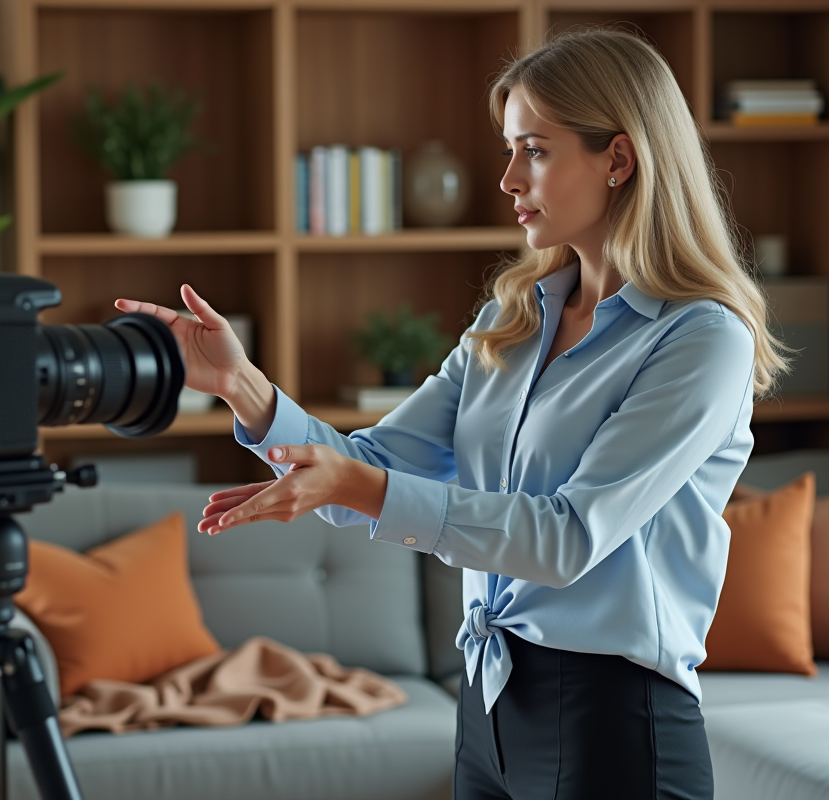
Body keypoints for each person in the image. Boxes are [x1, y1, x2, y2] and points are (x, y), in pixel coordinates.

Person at [114, 27, 785, 800]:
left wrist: (354, 488)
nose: (506, 178)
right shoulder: (512, 324)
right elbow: (371, 467)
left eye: (533, 149)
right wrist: (244, 389)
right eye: (510, 148)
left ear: (619, 159)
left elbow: (567, 539)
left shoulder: (701, 339)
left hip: (615, 722)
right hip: (491, 700)